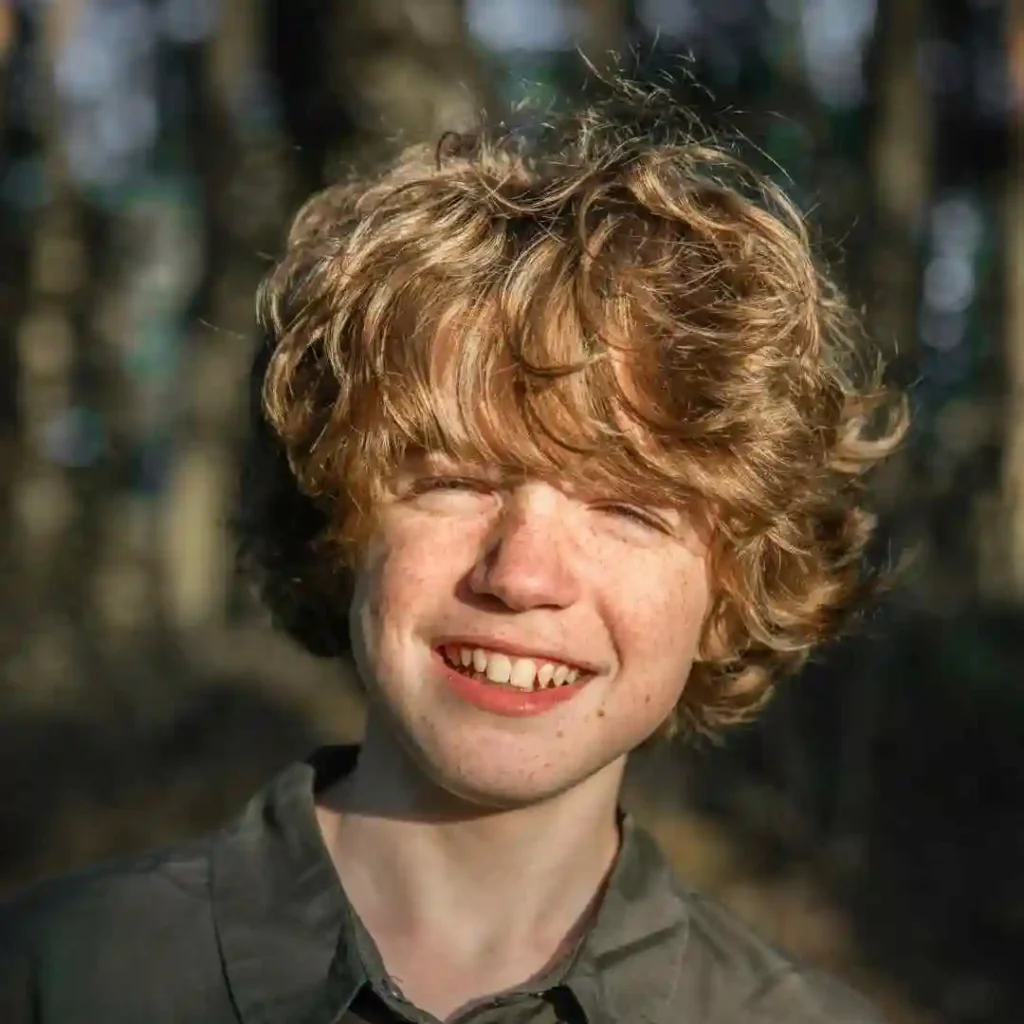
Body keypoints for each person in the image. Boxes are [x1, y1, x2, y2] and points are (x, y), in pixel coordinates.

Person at [0, 77, 906, 1023]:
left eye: (631, 509)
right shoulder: (58, 979)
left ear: (734, 585)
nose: (522, 575)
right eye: (455, 481)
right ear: (338, 518)